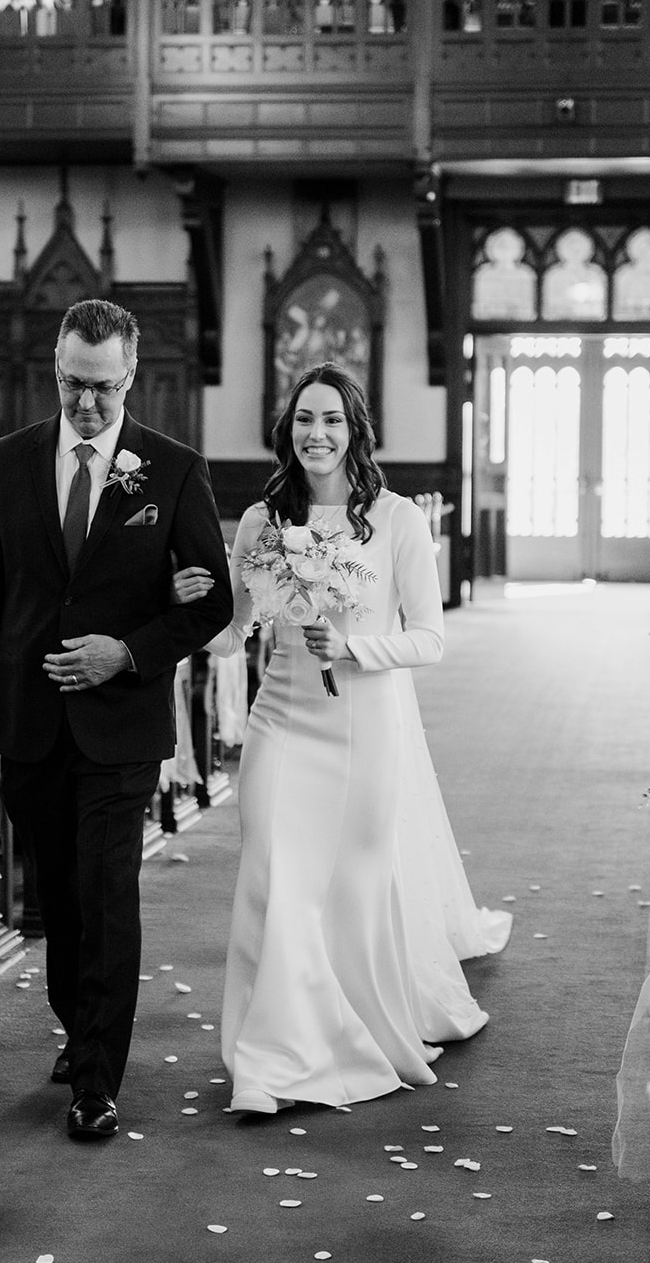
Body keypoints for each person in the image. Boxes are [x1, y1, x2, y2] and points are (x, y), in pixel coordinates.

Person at [174, 362, 511, 1114]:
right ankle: (270, 1059)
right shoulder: (262, 521)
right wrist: (186, 608)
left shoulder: (396, 519)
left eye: (330, 419)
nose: (316, 433)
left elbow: (430, 638)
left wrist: (354, 648)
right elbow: (232, 634)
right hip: (281, 719)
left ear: (355, 430)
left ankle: (354, 1030)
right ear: (286, 430)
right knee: (271, 874)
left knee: (351, 889)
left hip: (365, 727)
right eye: (303, 419)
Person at [0, 299, 233, 1141]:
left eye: (102, 388)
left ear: (130, 376)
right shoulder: (8, 460)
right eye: (72, 383)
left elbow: (210, 603)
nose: (85, 402)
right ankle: (80, 1030)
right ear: (56, 368)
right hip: (30, 720)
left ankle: (97, 1081)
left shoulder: (172, 470)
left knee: (107, 893)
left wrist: (129, 651)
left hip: (120, 724)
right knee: (60, 901)